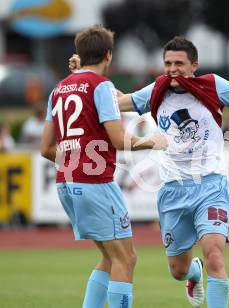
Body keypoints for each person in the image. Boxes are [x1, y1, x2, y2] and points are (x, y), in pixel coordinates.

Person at [72, 36, 229, 308]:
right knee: (177, 270)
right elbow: (118, 101)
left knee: (215, 255)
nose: (172, 69)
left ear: (194, 66)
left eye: (179, 64)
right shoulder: (157, 89)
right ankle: (193, 273)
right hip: (173, 190)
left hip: (211, 187)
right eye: (168, 63)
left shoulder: (213, 86)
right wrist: (83, 73)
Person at [41, 25, 166, 308]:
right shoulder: (102, 87)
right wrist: (152, 142)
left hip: (67, 181)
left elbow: (45, 148)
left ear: (80, 54)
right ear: (108, 54)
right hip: (94, 183)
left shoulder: (58, 89)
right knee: (126, 258)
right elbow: (118, 139)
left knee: (111, 258)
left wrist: (75, 161)